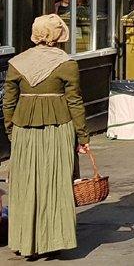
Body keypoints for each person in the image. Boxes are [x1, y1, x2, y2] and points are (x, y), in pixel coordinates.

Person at [3, 15, 89, 258]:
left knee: (25, 183)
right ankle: (53, 240)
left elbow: (8, 102)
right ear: (57, 36)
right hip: (58, 127)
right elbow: (75, 101)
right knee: (56, 181)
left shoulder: (16, 63)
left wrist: (11, 128)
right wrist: (83, 135)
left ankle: (25, 241)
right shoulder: (67, 63)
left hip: (23, 128)